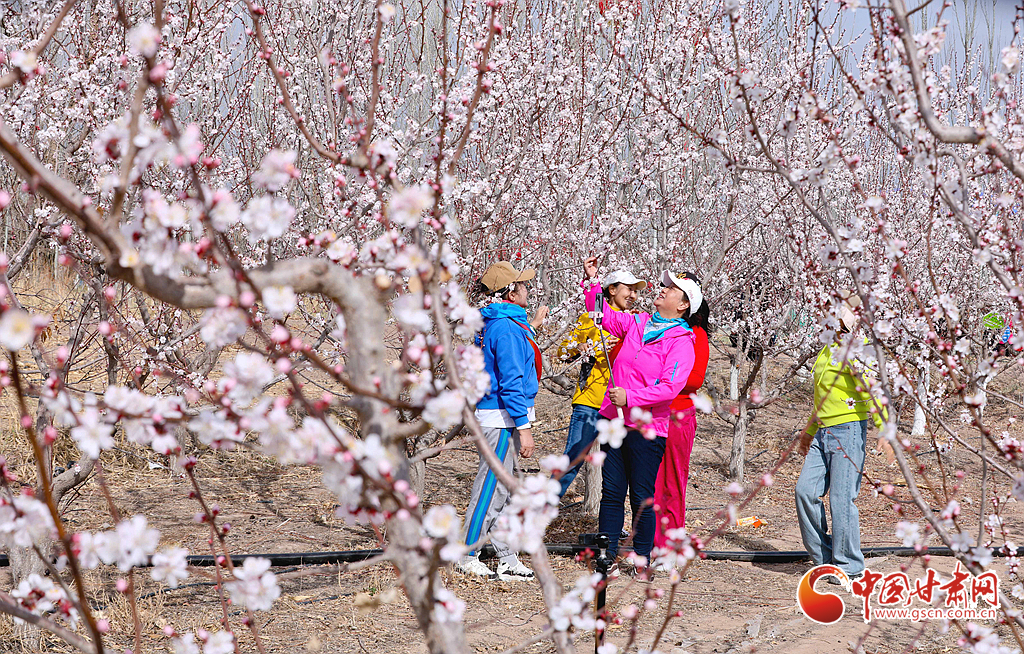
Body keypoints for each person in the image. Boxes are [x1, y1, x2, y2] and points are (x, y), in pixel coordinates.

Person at [581, 257, 700, 570]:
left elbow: (670, 387)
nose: (663, 289)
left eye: (671, 289)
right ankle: (606, 555)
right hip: (613, 420)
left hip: (647, 427)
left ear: (683, 305)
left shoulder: (682, 342)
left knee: (642, 496)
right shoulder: (637, 323)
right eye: (665, 285)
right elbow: (601, 317)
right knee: (611, 492)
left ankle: (642, 558)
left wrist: (630, 397)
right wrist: (592, 283)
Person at [457, 261, 547, 582]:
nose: (527, 289)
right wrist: (524, 427)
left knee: (506, 489)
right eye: (522, 285)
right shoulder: (506, 328)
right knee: (491, 488)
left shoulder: (499, 323)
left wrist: (532, 325)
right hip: (502, 418)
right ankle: (468, 553)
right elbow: (511, 381)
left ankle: (506, 555)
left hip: (501, 415)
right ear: (510, 293)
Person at [795, 302, 887, 582]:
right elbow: (822, 396)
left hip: (847, 430)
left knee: (841, 499)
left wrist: (884, 428)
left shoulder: (855, 350)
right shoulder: (827, 349)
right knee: (805, 491)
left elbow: (872, 389)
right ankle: (824, 557)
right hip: (822, 431)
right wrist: (809, 431)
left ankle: (849, 566)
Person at [556, 270, 647, 498]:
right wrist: (581, 348)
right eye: (629, 289)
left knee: (617, 471)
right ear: (612, 290)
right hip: (591, 400)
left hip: (620, 405)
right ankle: (542, 507)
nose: (633, 295)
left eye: (636, 291)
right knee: (573, 459)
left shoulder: (636, 322)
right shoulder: (591, 318)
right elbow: (563, 351)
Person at [653, 271, 710, 549]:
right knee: (649, 482)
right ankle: (650, 541)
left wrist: (661, 377)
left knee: (672, 482)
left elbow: (695, 379)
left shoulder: (695, 334)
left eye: (675, 289)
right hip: (651, 412)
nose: (666, 290)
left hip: (677, 415)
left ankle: (670, 543)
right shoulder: (656, 327)